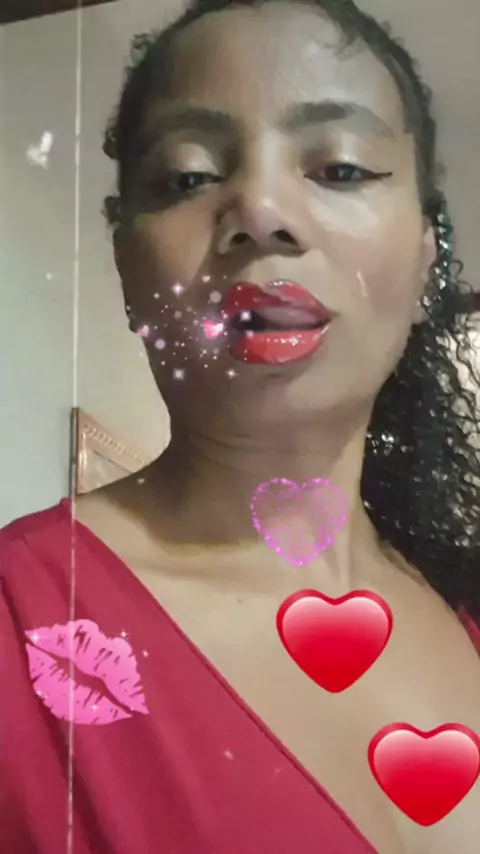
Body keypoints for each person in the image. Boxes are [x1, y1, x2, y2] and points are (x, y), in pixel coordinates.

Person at [1, 1, 480, 852]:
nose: (259, 210)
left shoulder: (462, 607)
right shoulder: (20, 622)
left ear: (426, 259)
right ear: (126, 266)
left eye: (340, 168)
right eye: (188, 177)